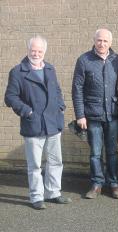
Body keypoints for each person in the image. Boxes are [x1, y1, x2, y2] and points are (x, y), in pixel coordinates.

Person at [4, 35, 71, 210]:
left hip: (53, 122)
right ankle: (36, 197)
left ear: (44, 51)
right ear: (27, 50)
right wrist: (27, 111)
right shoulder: (18, 72)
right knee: (35, 165)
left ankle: (53, 193)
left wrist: (60, 106)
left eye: (40, 51)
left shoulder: (50, 68)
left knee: (56, 162)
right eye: (33, 50)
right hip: (33, 124)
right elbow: (10, 97)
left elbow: (56, 89)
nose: (36, 53)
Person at [72, 28, 118, 199]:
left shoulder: (117, 60)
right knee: (95, 153)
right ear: (94, 41)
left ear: (111, 42)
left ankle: (114, 183)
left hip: (113, 115)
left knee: (112, 152)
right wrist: (80, 115)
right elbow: (77, 89)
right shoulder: (84, 60)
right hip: (92, 115)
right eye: (99, 40)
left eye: (105, 41)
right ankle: (96, 184)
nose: (102, 44)